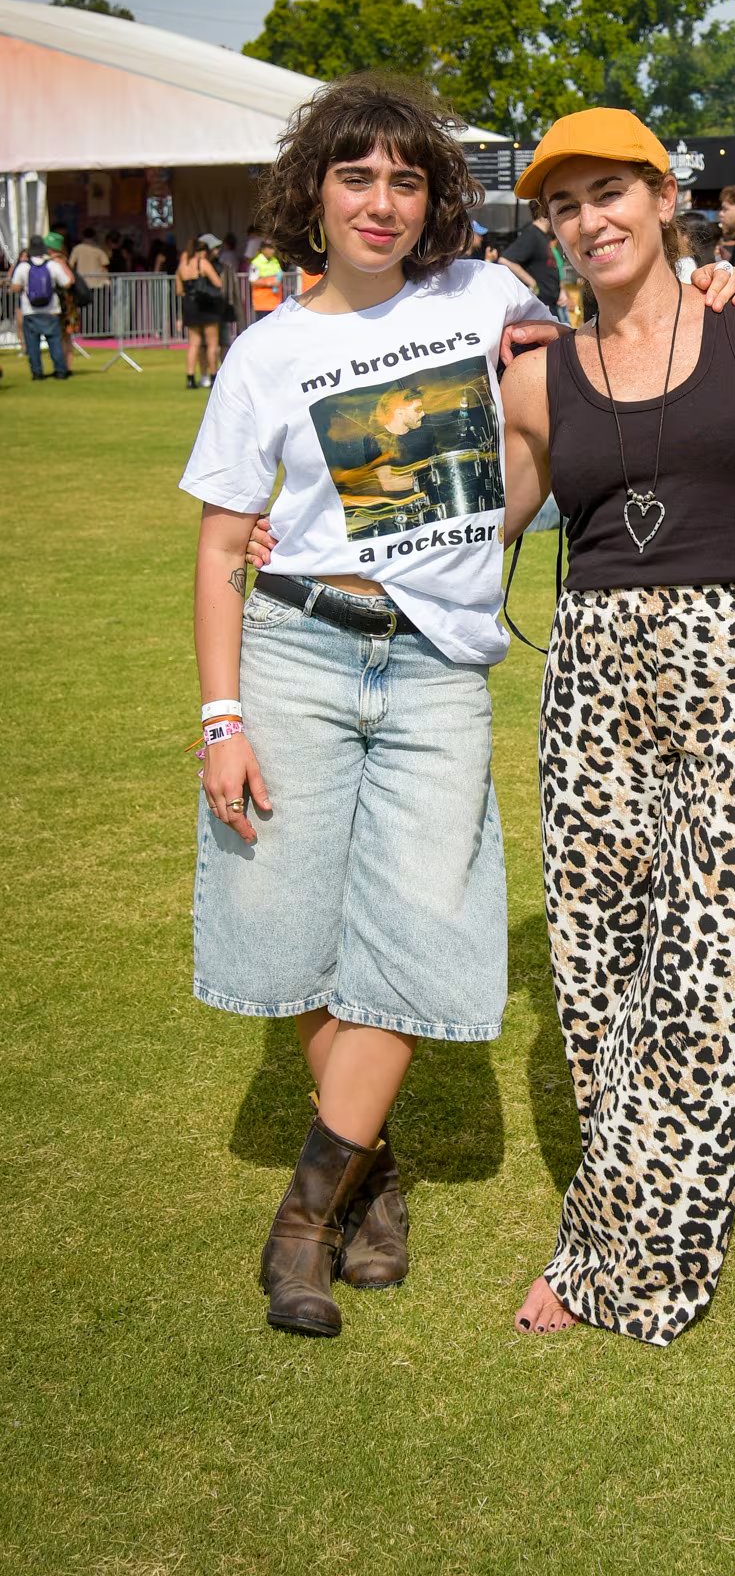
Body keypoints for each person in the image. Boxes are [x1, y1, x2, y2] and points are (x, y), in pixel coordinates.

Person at [179, 72, 560, 1340]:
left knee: (414, 925)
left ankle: (302, 1223)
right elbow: (224, 543)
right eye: (358, 176)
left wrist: (716, 283)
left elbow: (582, 380)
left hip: (438, 671)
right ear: (315, 193)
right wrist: (222, 715)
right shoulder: (269, 349)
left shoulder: (487, 296)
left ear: (435, 196)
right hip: (297, 651)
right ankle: (371, 1165)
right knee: (287, 927)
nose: (382, 201)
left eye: (406, 178)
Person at [495, 108, 735, 1345]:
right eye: (565, 205)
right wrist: (290, 539)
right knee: (596, 973)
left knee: (717, 976)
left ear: (661, 193)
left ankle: (632, 1263)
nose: (591, 221)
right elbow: (476, 530)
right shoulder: (538, 376)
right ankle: (607, 1230)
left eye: (609, 193)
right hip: (592, 684)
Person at [9, 233, 74, 379]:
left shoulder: (24, 267)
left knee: (33, 345)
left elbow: (15, 287)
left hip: (29, 310)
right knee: (54, 342)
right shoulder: (52, 265)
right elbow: (67, 282)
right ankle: (61, 371)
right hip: (51, 309)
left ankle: (37, 373)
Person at [178, 234, 227, 388]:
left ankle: (190, 378)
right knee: (212, 344)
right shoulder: (203, 263)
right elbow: (218, 283)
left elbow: (179, 290)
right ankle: (213, 376)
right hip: (206, 306)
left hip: (190, 306)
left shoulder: (182, 266)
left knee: (193, 344)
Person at [501, 209, 561, 314]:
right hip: (539, 305)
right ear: (545, 214)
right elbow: (506, 260)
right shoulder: (532, 234)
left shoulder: (543, 236)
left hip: (550, 304)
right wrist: (532, 283)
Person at [248, 239, 285, 318]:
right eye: (270, 248)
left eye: (273, 248)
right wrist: (270, 283)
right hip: (262, 304)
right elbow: (252, 281)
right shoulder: (256, 262)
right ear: (263, 249)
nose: (273, 251)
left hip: (275, 302)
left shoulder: (275, 260)